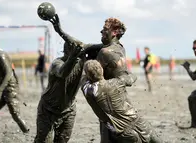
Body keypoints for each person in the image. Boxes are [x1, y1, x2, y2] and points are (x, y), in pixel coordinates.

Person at [48, 14, 137, 142]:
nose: (101, 31)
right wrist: (60, 31)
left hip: (111, 104)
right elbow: (80, 46)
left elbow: (124, 79)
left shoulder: (107, 52)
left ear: (115, 32)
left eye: (105, 29)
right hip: (114, 102)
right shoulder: (112, 48)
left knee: (113, 137)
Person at [81, 60, 162, 143]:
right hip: (136, 121)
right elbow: (132, 77)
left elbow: (83, 77)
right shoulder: (117, 82)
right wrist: (122, 67)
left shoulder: (87, 90)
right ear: (102, 69)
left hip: (122, 131)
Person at [34, 42, 86, 143]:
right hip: (48, 109)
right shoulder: (57, 63)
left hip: (68, 110)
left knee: (62, 141)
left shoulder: (81, 64)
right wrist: (72, 57)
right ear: (65, 52)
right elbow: (62, 73)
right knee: (43, 141)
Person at [0, 32, 29, 133]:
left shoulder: (1, 55)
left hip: (10, 87)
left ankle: (26, 131)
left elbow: (8, 73)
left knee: (15, 114)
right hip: (1, 86)